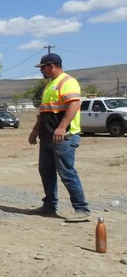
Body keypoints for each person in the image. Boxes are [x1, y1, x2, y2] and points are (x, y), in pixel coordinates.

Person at [28, 53, 89, 222]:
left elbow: (74, 105)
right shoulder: (50, 86)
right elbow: (44, 112)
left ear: (52, 65)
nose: (42, 71)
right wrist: (35, 131)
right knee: (46, 171)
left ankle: (81, 208)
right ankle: (49, 206)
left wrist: (62, 127)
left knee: (66, 172)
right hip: (47, 137)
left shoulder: (68, 82)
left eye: (43, 68)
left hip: (64, 137)